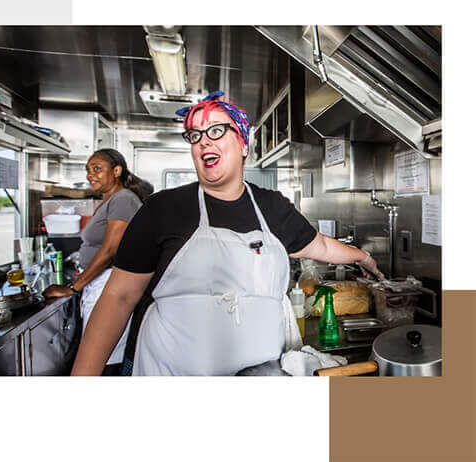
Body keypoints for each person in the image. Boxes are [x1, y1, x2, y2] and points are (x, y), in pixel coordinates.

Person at [70, 91, 383, 377]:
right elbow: (118, 297)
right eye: (195, 135)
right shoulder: (162, 209)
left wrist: (364, 257)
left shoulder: (272, 207)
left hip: (258, 377)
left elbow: (321, 246)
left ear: (243, 144)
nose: (204, 141)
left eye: (217, 131)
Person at [43, 149, 153, 375]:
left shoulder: (123, 199)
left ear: (117, 171)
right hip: (98, 283)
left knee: (103, 360)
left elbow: (111, 249)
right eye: (88, 170)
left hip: (108, 285)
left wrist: (74, 287)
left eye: (97, 169)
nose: (90, 175)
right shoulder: (111, 200)